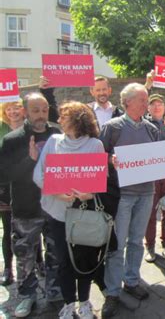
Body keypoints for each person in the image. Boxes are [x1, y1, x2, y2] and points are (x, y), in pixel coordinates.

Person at [32, 101, 105, 319]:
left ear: (77, 119)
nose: (60, 119)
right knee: (63, 261)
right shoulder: (53, 141)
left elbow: (99, 181)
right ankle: (68, 303)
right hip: (58, 213)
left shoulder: (95, 145)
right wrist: (57, 193)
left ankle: (84, 302)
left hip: (83, 213)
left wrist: (88, 194)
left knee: (83, 260)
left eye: (64, 116)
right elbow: (39, 175)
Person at [99, 83, 160, 317]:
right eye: (143, 100)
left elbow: (158, 157)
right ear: (127, 103)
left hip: (146, 193)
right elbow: (97, 155)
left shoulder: (151, 129)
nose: (148, 104)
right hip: (122, 195)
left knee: (136, 241)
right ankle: (112, 292)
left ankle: (132, 281)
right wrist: (109, 160)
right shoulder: (111, 127)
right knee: (117, 244)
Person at [0, 93, 62, 317]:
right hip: (26, 209)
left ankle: (55, 292)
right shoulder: (12, 140)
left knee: (56, 253)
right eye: (36, 110)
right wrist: (30, 159)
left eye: (44, 110)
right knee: (25, 256)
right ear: (25, 111)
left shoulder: (58, 133)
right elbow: (4, 175)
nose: (41, 115)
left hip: (55, 207)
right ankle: (27, 296)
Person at [143, 93, 165, 262]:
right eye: (153, 104)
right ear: (148, 107)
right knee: (151, 210)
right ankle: (150, 245)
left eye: (159, 104)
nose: (156, 107)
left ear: (164, 107)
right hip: (151, 173)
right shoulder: (143, 124)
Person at [0, 100, 25, 286]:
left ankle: (38, 264)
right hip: (4, 187)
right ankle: (8, 268)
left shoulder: (30, 128)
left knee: (32, 227)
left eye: (16, 107)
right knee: (8, 228)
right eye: (9, 108)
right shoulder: (1, 130)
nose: (13, 111)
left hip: (27, 186)